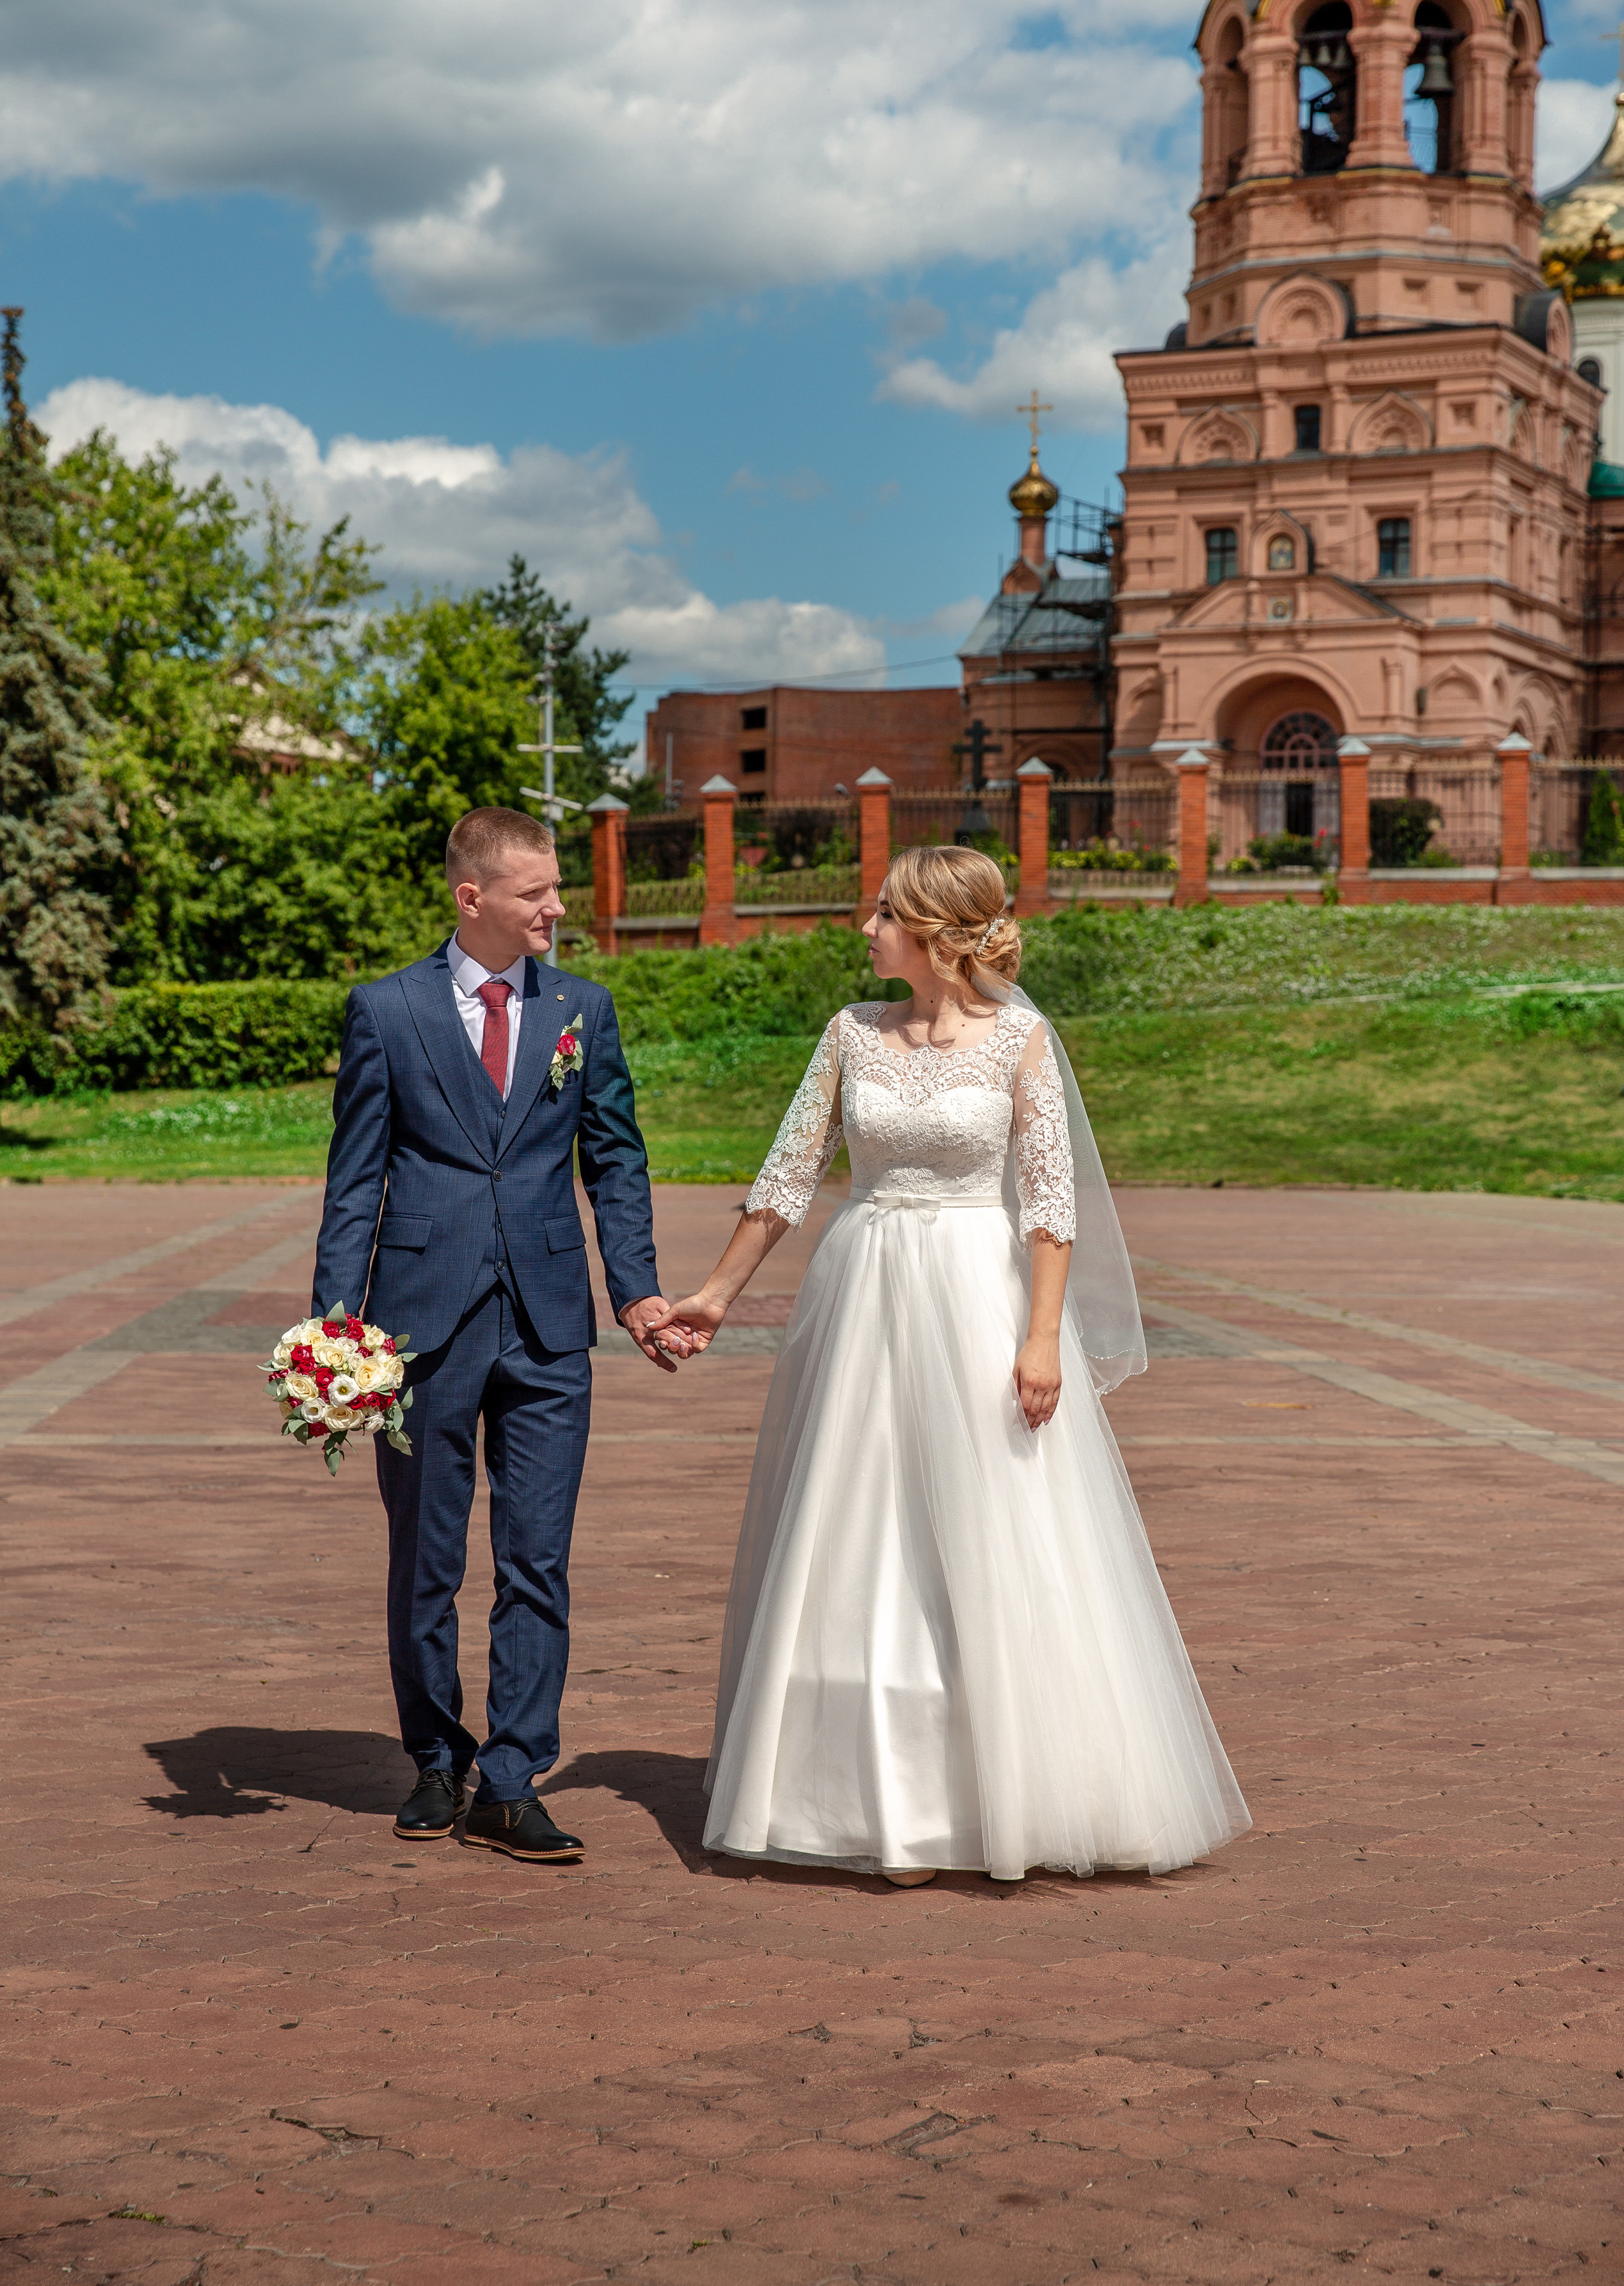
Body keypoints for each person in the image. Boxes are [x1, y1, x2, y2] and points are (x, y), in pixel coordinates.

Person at [653, 845, 1249, 1885]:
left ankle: (1012, 1789)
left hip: (978, 1293)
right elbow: (787, 1179)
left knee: (990, 1531)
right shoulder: (851, 1035)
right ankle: (871, 1799)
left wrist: (1040, 1338)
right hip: (864, 1292)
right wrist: (715, 1293)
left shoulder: (1022, 1040)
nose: (864, 927)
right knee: (859, 1529)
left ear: (931, 933)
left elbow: (1052, 1207)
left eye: (882, 912)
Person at [311, 806, 687, 1863]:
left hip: (549, 1323)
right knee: (425, 1561)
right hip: (419, 1325)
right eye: (537, 893)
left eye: (557, 889)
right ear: (471, 899)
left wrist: (637, 1292)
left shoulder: (582, 1010)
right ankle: (437, 1758)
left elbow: (616, 1158)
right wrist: (336, 1334)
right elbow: (356, 1184)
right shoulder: (386, 1013)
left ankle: (514, 1777)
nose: (558, 909)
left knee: (537, 1558)